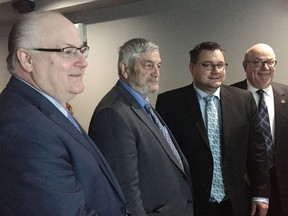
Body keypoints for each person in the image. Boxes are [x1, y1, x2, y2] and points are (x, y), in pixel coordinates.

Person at [0, 11, 127, 216]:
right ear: (27, 60)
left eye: (81, 50)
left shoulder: (45, 111)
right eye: (68, 51)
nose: (83, 62)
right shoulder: (23, 127)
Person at [155, 42, 270, 216]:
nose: (216, 71)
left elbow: (257, 151)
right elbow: (163, 158)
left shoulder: (244, 100)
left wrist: (261, 194)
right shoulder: (170, 103)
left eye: (220, 65)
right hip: (191, 202)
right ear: (192, 67)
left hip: (235, 201)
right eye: (207, 65)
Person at [88, 38, 194, 216]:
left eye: (158, 66)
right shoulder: (112, 113)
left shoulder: (141, 104)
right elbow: (125, 189)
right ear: (125, 69)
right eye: (148, 65)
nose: (156, 73)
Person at [231, 43, 288, 216]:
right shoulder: (230, 96)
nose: (265, 67)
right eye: (258, 62)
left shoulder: (286, 94)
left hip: (283, 184)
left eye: (270, 62)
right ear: (245, 65)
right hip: (246, 184)